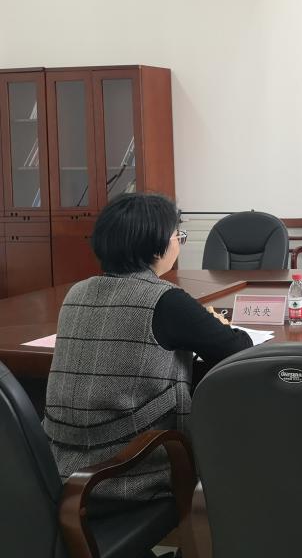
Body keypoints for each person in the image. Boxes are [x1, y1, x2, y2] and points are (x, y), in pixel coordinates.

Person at [43, 193, 252, 503]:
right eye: (177, 236)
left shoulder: (77, 293)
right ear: (156, 245)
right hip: (125, 474)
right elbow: (238, 350)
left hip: (56, 470)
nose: (178, 244)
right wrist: (219, 324)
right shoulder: (165, 300)